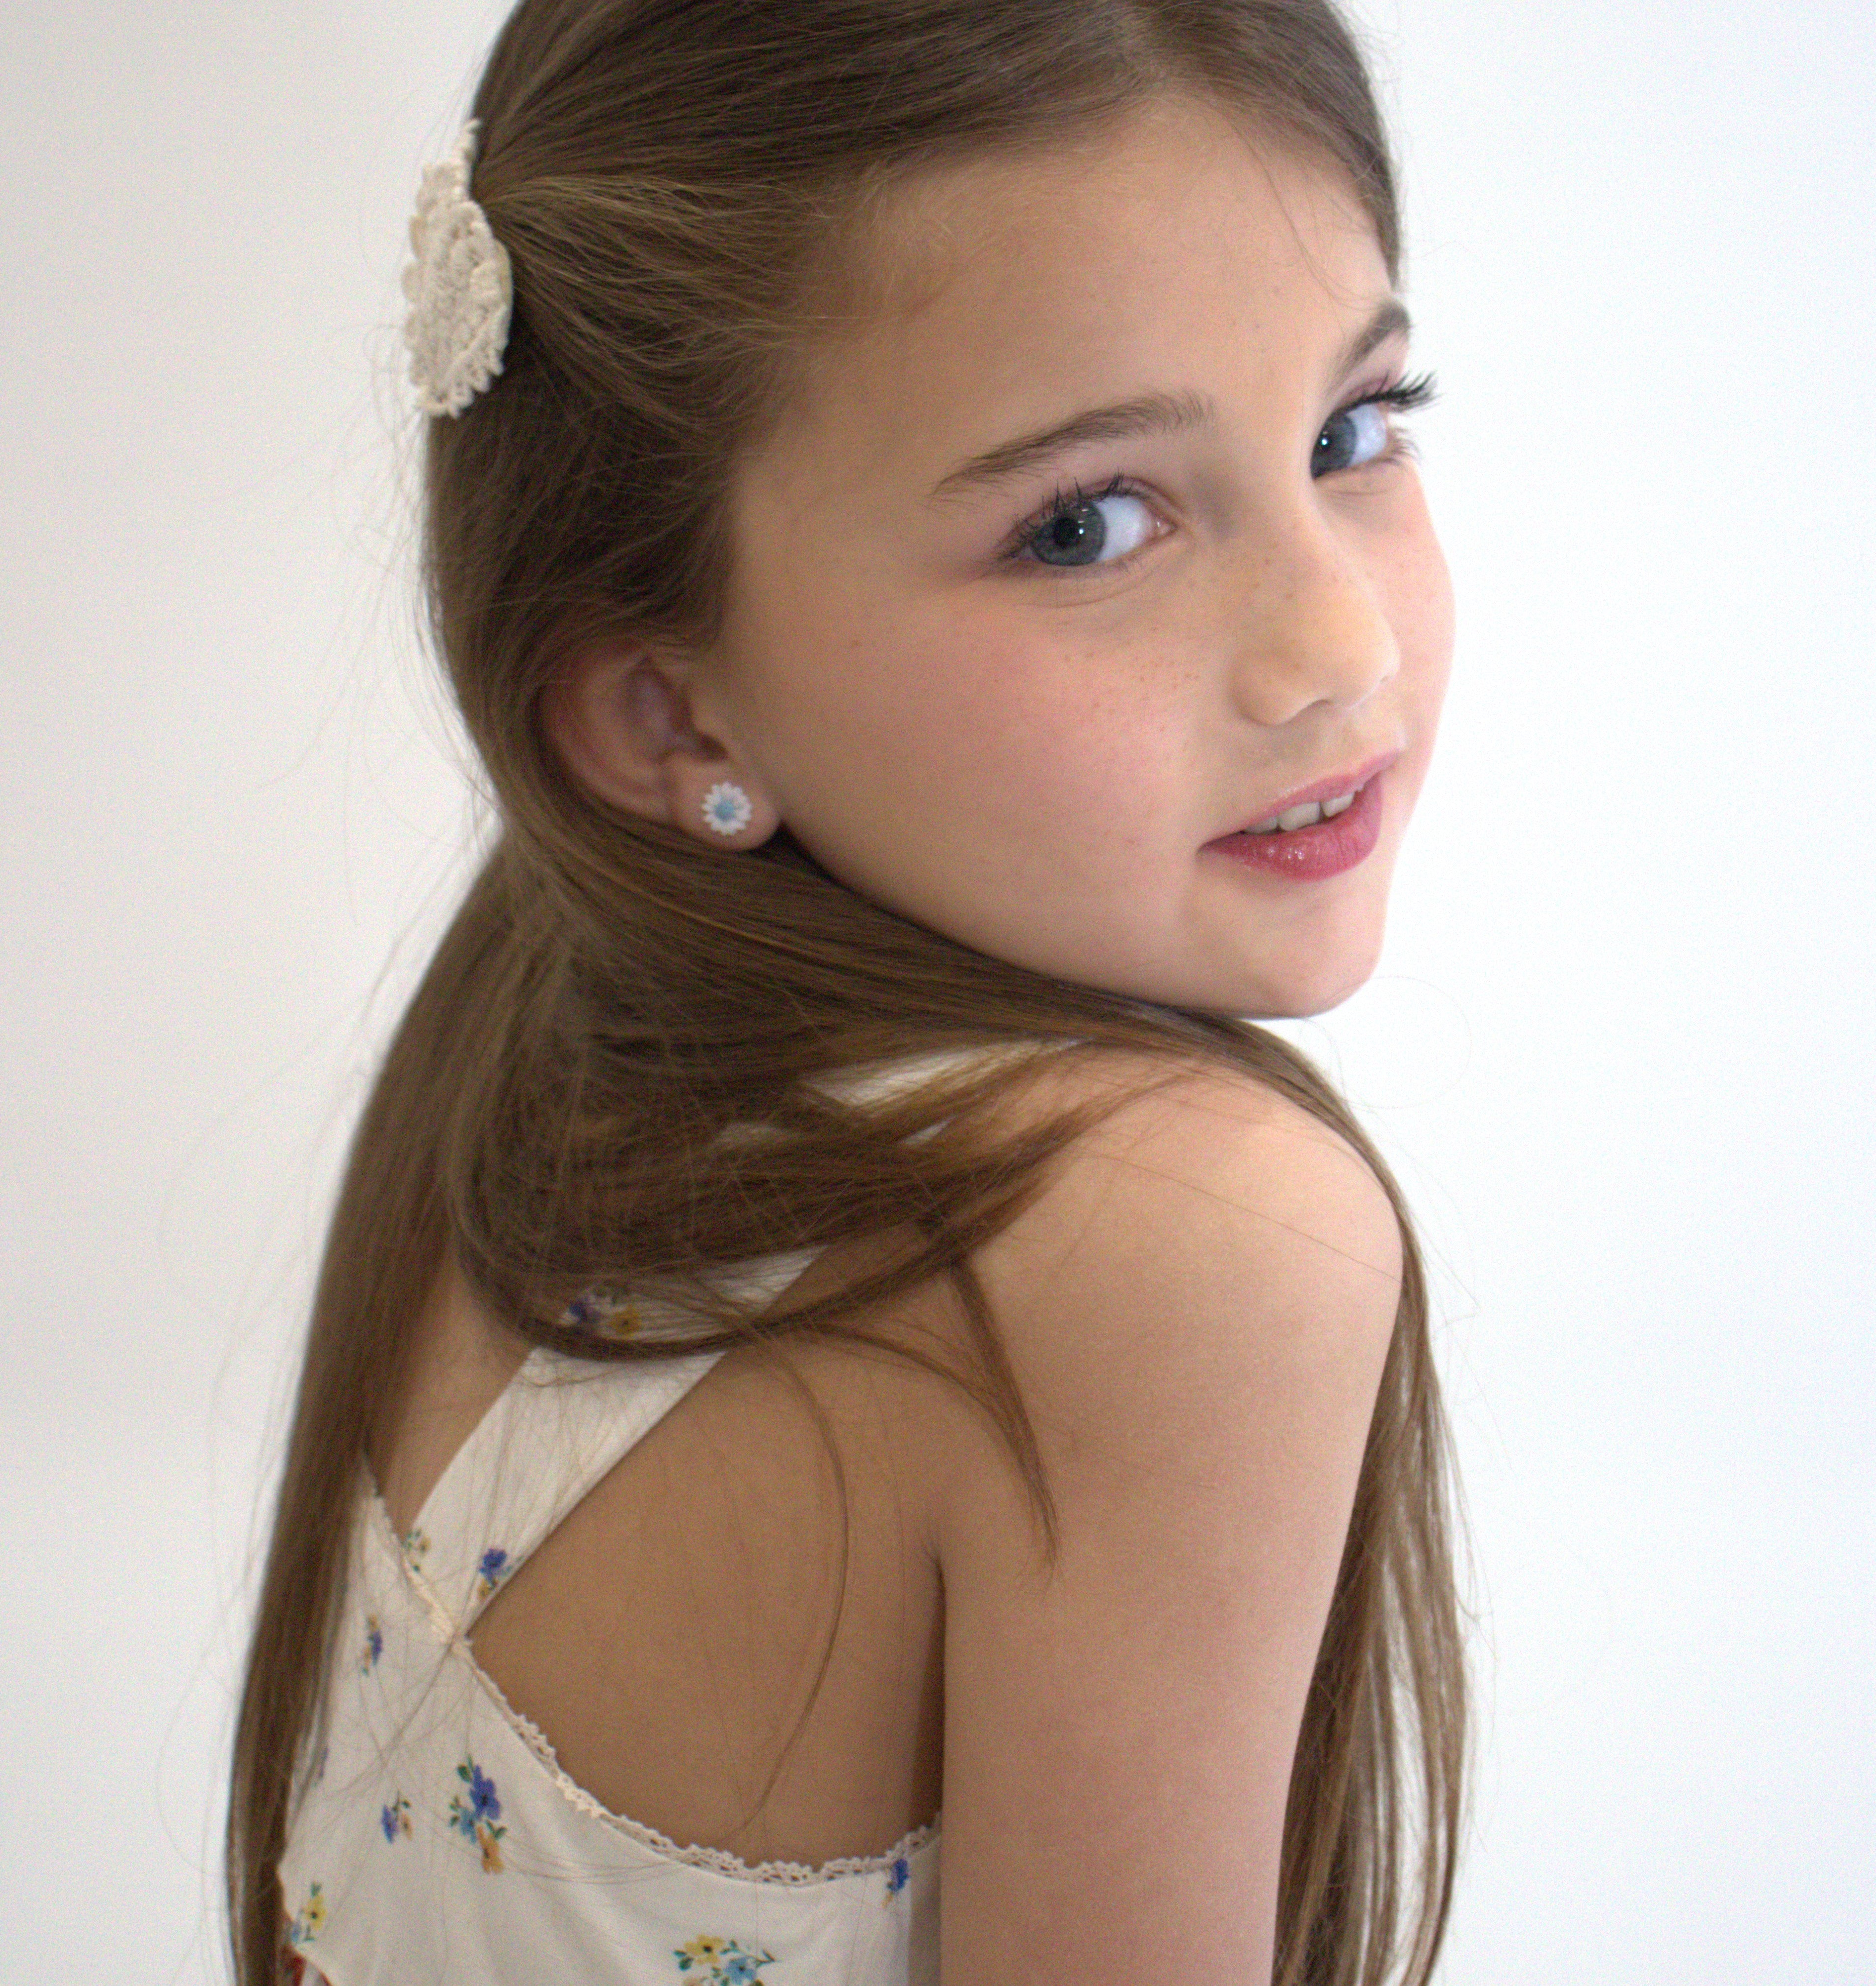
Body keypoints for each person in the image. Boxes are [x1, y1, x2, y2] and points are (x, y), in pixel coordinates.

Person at [227, 2, 1468, 1981]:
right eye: (1086, 523)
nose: (1338, 647)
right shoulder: (1185, 1239)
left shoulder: (554, 1021)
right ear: (666, 710)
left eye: (1355, 430)